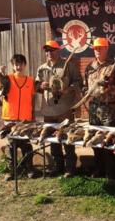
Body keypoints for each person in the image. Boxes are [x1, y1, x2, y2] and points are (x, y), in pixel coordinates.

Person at [35, 40, 83, 178]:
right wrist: (40, 86)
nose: (49, 53)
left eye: (52, 50)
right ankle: (57, 166)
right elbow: (36, 86)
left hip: (65, 110)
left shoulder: (69, 66)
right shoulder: (42, 68)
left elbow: (79, 82)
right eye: (47, 51)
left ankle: (70, 169)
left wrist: (68, 89)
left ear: (58, 51)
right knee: (53, 140)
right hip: (48, 111)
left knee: (67, 138)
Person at [0, 54, 35, 181]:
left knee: (26, 146)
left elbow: (37, 93)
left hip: (25, 120)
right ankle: (12, 172)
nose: (18, 67)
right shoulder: (6, 79)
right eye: (16, 64)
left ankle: (29, 169)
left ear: (25, 65)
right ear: (13, 66)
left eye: (21, 64)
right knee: (11, 147)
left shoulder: (30, 80)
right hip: (10, 119)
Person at [84, 37, 115, 184]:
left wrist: (110, 89)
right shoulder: (89, 67)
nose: (97, 51)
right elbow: (86, 87)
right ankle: (99, 169)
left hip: (109, 109)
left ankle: (112, 174)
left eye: (100, 48)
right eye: (95, 48)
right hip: (93, 109)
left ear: (106, 49)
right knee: (96, 141)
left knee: (109, 142)